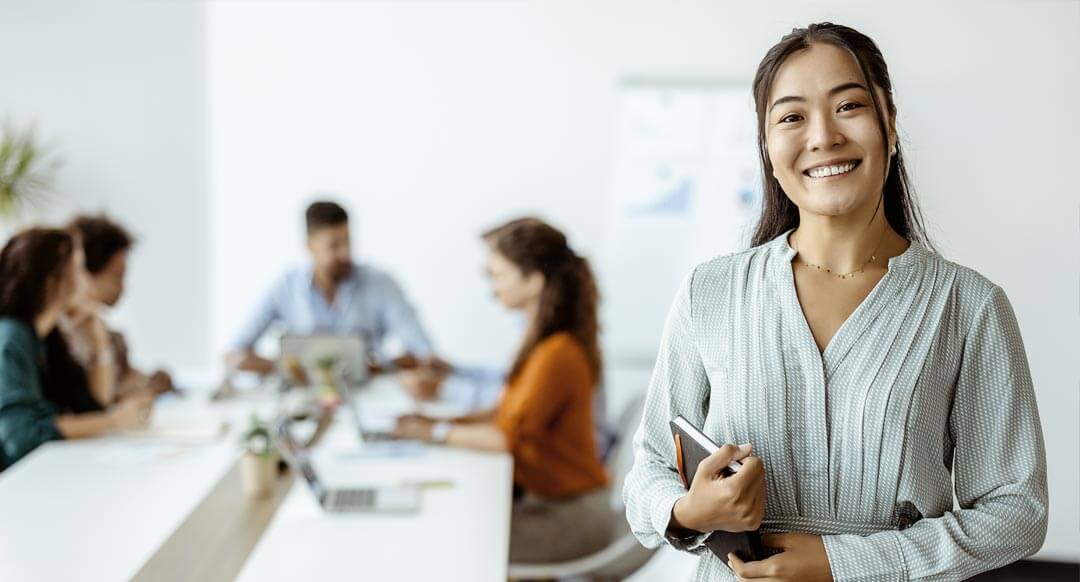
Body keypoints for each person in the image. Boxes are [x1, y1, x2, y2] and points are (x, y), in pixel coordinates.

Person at [623, 23, 1047, 582]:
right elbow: (648, 472)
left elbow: (1018, 511)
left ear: (889, 126)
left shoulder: (969, 307)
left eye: (848, 106)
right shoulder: (712, 291)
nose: (823, 136)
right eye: (792, 117)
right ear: (768, 149)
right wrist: (687, 512)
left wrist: (840, 562)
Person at [394, 218, 612, 563]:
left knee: (449, 545)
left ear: (533, 281)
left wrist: (432, 431)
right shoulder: (542, 344)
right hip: (549, 503)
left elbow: (509, 439)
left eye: (499, 276)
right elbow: (508, 412)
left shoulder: (557, 353)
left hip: (569, 518)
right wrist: (441, 423)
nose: (492, 288)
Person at [226, 200, 447, 390]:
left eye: (348, 242)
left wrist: (374, 368)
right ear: (310, 246)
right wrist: (291, 367)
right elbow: (233, 356)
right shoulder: (284, 287)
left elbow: (424, 353)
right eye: (334, 245)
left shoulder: (381, 283)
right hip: (303, 398)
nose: (345, 253)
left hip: (368, 394)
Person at [0, 228, 152, 470]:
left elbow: (91, 406)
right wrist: (114, 421)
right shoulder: (10, 338)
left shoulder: (46, 340)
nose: (86, 280)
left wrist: (99, 340)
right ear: (54, 280)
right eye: (80, 269)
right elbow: (21, 438)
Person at [62, 214, 173, 404]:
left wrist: (147, 383)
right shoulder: (58, 337)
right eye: (116, 276)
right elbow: (96, 402)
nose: (123, 287)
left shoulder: (113, 337)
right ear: (83, 272)